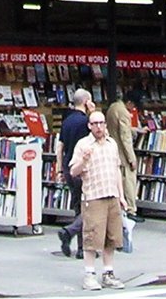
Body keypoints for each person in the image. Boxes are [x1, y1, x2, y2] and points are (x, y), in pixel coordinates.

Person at [67, 102, 127, 290]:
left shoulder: (112, 144)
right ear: (89, 126)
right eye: (95, 124)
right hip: (93, 196)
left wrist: (121, 195)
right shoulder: (83, 145)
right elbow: (73, 172)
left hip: (112, 195)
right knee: (92, 237)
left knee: (112, 238)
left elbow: (117, 170)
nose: (99, 127)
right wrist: (83, 160)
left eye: (101, 123)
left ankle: (108, 273)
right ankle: (89, 274)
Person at [55, 89, 94, 258]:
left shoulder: (67, 121)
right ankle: (73, 237)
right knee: (90, 207)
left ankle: (80, 246)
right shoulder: (87, 122)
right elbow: (98, 140)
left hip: (68, 166)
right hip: (82, 168)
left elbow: (60, 147)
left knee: (78, 206)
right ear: (86, 101)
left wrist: (59, 168)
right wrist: (93, 112)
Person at [101, 99, 138, 253]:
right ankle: (131, 210)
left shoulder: (112, 107)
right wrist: (132, 157)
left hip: (115, 150)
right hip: (122, 153)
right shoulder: (123, 112)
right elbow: (125, 136)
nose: (134, 108)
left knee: (119, 181)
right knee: (128, 181)